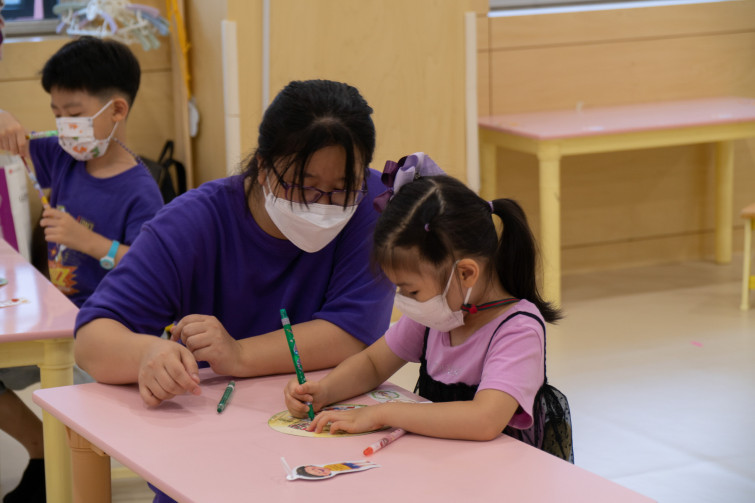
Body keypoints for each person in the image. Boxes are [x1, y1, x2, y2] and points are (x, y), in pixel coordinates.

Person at [73, 79, 395, 502]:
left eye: (340, 189)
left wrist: (240, 355)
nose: (323, 204)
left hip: (329, 459)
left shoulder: (372, 203)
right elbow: (91, 340)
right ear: (263, 166)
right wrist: (147, 354)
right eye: (304, 185)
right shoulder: (193, 224)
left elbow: (354, 332)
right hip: (210, 465)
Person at [284, 153, 563, 447]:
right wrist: (324, 391)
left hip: (502, 469)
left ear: (466, 273)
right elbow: (373, 363)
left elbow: (485, 420)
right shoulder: (440, 314)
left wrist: (382, 413)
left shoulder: (518, 330)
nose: (405, 302)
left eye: (412, 291)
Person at [0, 37, 163, 503]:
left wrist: (89, 242)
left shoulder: (140, 191)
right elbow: (9, 140)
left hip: (106, 334)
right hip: (57, 317)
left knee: (80, 412)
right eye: (56, 114)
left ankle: (61, 466)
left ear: (116, 110)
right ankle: (42, 453)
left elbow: (154, 269)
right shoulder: (64, 158)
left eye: (73, 113)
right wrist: (3, 118)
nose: (62, 127)